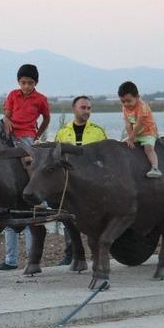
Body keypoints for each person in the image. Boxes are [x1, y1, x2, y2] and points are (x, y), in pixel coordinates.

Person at [0, 64, 51, 271]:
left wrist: (37, 134)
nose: (26, 86)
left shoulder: (40, 99)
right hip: (9, 133)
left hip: (26, 136)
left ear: (35, 83)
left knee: (28, 160)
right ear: (18, 82)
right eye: (23, 82)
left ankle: (39, 196)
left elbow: (46, 118)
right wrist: (6, 119)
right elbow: (7, 113)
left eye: (30, 83)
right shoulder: (13, 95)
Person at [53, 95, 107, 265]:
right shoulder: (62, 132)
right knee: (68, 218)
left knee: (96, 220)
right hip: (70, 184)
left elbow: (105, 159)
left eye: (89, 108)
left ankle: (98, 255)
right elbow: (56, 159)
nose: (87, 111)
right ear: (74, 109)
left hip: (92, 184)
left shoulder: (98, 132)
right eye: (83, 108)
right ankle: (72, 254)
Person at [118, 81, 162, 178]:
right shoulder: (125, 108)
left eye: (128, 101)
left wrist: (131, 138)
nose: (126, 104)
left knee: (148, 148)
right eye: (123, 101)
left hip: (148, 132)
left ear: (137, 97)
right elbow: (128, 124)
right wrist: (130, 138)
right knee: (122, 144)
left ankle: (155, 168)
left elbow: (139, 124)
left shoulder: (142, 106)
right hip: (137, 134)